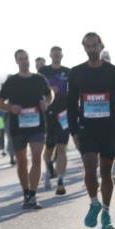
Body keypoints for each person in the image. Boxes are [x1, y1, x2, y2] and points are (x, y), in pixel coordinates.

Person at [67, 33, 115, 229]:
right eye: (88, 46)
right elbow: (71, 105)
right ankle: (94, 202)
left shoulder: (114, 72)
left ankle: (106, 211)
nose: (91, 49)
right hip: (86, 129)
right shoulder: (76, 73)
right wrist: (73, 131)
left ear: (101, 46)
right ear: (84, 48)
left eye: (94, 46)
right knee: (90, 168)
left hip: (108, 129)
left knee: (106, 172)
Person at [0, 50, 52, 209]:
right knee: (22, 161)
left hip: (37, 125)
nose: (24, 61)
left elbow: (50, 95)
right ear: (16, 62)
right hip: (18, 126)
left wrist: (46, 103)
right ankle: (26, 192)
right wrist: (10, 107)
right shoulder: (11, 82)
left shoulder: (39, 79)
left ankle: (33, 195)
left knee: (36, 157)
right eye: (20, 59)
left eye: (26, 58)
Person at [38, 46, 71, 191]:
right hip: (47, 114)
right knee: (49, 148)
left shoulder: (68, 72)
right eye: (54, 54)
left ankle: (60, 180)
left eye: (59, 54)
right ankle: (49, 167)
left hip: (63, 114)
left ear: (62, 56)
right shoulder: (44, 72)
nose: (56, 56)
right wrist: (51, 88)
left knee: (62, 147)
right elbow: (38, 90)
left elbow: (73, 92)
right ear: (50, 55)